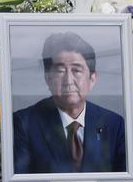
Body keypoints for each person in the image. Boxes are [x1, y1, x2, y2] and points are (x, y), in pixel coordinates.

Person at [13, 32, 126, 174]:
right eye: (60, 71)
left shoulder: (114, 124)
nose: (68, 80)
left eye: (77, 70)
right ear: (48, 78)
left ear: (92, 79)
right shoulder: (24, 123)